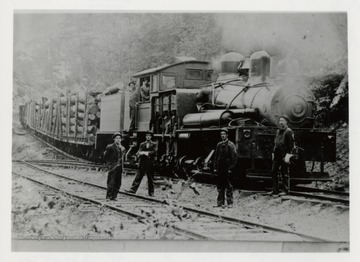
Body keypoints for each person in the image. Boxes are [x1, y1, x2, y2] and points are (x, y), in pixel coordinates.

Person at [126, 130, 157, 196]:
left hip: (150, 162)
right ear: (145, 137)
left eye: (149, 136)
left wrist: (146, 153)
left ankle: (151, 193)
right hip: (143, 162)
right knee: (138, 176)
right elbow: (139, 152)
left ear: (151, 137)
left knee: (150, 178)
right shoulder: (142, 144)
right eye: (147, 136)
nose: (148, 137)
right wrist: (140, 154)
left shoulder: (154, 144)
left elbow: (154, 152)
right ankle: (132, 190)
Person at [270, 115, 295, 195]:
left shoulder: (288, 131)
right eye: (280, 121)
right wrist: (273, 152)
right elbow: (276, 142)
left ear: (286, 122)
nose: (281, 122)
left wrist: (288, 155)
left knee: (284, 172)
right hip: (277, 154)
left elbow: (291, 145)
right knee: (274, 172)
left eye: (282, 121)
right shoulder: (278, 131)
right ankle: (275, 190)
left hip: (284, 154)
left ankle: (286, 190)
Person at [213, 128, 237, 208]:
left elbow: (234, 157)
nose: (222, 136)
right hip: (220, 168)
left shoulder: (231, 145)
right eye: (221, 134)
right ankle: (220, 203)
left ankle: (230, 203)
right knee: (220, 186)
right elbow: (216, 157)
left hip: (227, 168)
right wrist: (215, 167)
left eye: (224, 134)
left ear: (227, 135)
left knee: (228, 186)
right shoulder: (219, 145)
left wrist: (231, 168)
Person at [103, 132, 125, 200]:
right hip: (112, 167)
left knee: (118, 182)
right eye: (117, 138)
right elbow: (105, 157)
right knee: (111, 182)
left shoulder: (122, 148)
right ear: (114, 139)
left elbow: (123, 159)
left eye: (119, 138)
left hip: (119, 168)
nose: (118, 140)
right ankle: (108, 196)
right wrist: (109, 165)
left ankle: (114, 196)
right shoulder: (110, 147)